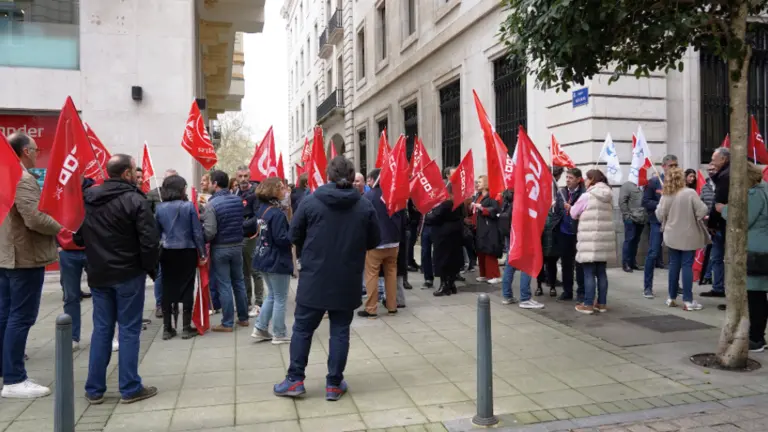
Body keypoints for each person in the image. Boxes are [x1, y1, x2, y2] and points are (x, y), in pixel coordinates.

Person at [274, 156, 379, 400]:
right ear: (353, 177)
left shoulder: (310, 203)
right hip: (347, 278)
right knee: (340, 331)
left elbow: (293, 234)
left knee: (303, 329)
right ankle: (333, 383)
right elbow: (374, 240)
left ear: (328, 176)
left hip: (315, 277)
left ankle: (295, 379)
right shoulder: (364, 205)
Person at [76, 154, 159, 404]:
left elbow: (80, 236)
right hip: (128, 274)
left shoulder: (89, 199)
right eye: (134, 170)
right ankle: (130, 387)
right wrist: (150, 269)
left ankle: (94, 389)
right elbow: (149, 241)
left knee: (102, 329)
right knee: (129, 330)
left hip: (100, 274)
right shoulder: (135, 200)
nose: (137, 174)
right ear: (126, 173)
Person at [0, 132, 62, 398]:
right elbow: (34, 218)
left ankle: (6, 371)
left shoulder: (4, 175)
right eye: (36, 149)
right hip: (23, 257)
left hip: (7, 256)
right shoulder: (22, 178)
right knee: (20, 316)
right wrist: (63, 227)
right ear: (26, 151)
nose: (37, 153)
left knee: (6, 315)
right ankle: (14, 378)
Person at [719, 163, 768, 351]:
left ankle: (756, 338)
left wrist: (723, 210)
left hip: (757, 252)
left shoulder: (755, 193)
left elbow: (743, 219)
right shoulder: (765, 188)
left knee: (755, 296)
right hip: (762, 249)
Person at [155, 175, 207, 340]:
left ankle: (167, 328)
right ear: (180, 189)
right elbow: (197, 232)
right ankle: (185, 327)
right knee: (187, 286)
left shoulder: (159, 208)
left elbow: (156, 234)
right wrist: (202, 253)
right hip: (187, 250)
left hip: (167, 251)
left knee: (167, 287)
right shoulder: (189, 207)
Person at [246, 177, 294, 344]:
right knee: (280, 297)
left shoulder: (263, 210)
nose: (285, 190)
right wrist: (293, 236)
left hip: (263, 257)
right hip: (276, 260)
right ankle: (279, 333)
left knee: (272, 295)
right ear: (273, 191)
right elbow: (281, 239)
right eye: (281, 188)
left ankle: (260, 328)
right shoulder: (276, 214)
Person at [202, 170, 250, 332]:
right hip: (237, 245)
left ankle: (227, 322)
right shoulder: (237, 200)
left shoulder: (211, 205)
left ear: (215, 184)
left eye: (209, 182)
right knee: (239, 282)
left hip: (220, 248)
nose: (208, 185)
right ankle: (243, 318)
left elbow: (210, 232)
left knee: (224, 285)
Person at [654, 167, 707, 311]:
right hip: (689, 234)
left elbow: (659, 215)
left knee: (674, 265)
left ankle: (671, 297)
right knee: (687, 266)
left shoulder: (666, 195)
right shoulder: (690, 193)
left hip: (671, 234)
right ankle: (688, 300)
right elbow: (702, 210)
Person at [359, 169, 405, 318]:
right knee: (391, 274)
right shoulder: (394, 194)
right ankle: (392, 306)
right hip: (394, 242)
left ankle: (371, 308)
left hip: (376, 243)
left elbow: (363, 219)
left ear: (374, 179)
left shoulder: (369, 196)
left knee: (372, 274)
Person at [57, 178, 96, 352]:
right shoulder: (59, 193)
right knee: (71, 296)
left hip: (91, 249)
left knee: (101, 294)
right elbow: (49, 215)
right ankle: (73, 336)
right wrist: (57, 244)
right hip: (68, 250)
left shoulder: (93, 192)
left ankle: (104, 334)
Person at [570, 169, 615, 315]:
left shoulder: (587, 196)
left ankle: (588, 304)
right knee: (601, 272)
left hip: (589, 240)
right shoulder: (609, 195)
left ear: (591, 179)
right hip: (603, 240)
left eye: (586, 179)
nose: (585, 181)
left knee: (589, 273)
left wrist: (570, 208)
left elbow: (573, 213)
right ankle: (602, 303)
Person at [643, 154, 678, 298]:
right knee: (653, 253)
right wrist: (661, 205)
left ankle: (675, 286)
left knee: (675, 255)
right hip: (657, 222)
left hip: (674, 222)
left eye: (675, 166)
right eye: (671, 166)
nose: (673, 169)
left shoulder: (678, 182)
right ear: (663, 166)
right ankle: (647, 287)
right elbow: (645, 202)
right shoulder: (654, 182)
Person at [425, 184, 465, 297]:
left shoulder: (446, 204)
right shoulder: (459, 203)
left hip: (443, 236)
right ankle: (451, 284)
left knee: (442, 260)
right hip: (455, 234)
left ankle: (444, 285)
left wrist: (428, 214)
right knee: (452, 260)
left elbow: (433, 217)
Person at [702, 147, 729, 298]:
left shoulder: (725, 176)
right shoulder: (719, 177)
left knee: (727, 258)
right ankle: (718, 287)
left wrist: (712, 223)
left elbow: (718, 203)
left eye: (714, 160)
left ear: (723, 159)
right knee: (716, 258)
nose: (711, 164)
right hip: (717, 226)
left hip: (723, 225)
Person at [558, 168, 585, 301]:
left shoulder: (583, 193)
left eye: (571, 178)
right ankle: (567, 290)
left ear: (578, 180)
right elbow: (558, 210)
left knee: (579, 264)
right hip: (564, 232)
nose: (568, 180)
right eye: (567, 177)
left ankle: (581, 292)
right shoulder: (561, 192)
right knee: (566, 263)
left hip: (578, 232)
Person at [471, 176, 503, 284]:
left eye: (480, 182)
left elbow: (495, 210)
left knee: (489, 251)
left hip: (489, 228)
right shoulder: (478, 196)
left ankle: (495, 275)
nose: (477, 184)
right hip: (479, 227)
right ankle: (483, 274)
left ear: (486, 183)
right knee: (481, 251)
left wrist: (483, 209)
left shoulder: (491, 197)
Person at [619, 178, 647, 273]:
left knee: (636, 241)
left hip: (642, 217)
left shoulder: (644, 185)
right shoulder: (627, 185)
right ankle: (625, 263)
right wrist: (627, 215)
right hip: (631, 218)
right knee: (629, 240)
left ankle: (632, 262)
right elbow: (622, 201)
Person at [698, 169, 716, 286]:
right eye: (709, 170)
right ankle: (707, 275)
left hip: (719, 224)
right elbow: (701, 203)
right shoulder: (705, 187)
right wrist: (704, 215)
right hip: (707, 224)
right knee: (709, 251)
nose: (711, 172)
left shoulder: (724, 184)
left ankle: (711, 276)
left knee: (716, 253)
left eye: (714, 169)